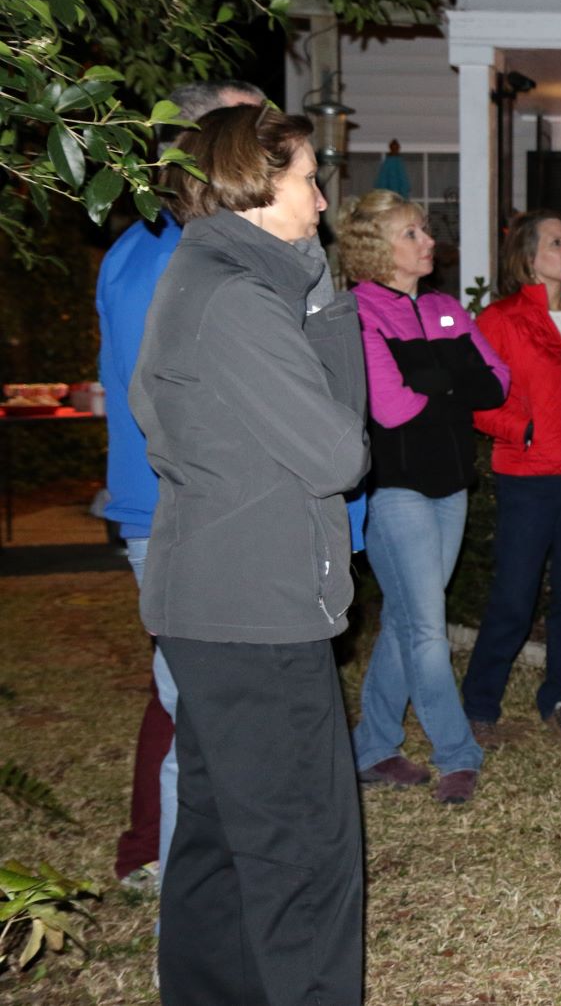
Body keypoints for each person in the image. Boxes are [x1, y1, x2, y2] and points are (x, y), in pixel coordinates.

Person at [132, 104, 369, 1003]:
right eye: (309, 178)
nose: (320, 199)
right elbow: (340, 451)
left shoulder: (212, 278)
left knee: (223, 842)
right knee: (304, 857)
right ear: (257, 185)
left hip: (219, 603)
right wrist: (326, 298)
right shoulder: (236, 297)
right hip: (255, 612)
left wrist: (312, 290)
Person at [100, 80, 265, 893]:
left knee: (183, 692)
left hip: (187, 506)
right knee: (201, 700)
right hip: (179, 509)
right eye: (250, 127)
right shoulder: (170, 260)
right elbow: (176, 407)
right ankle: (172, 864)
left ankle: (153, 847)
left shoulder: (171, 246)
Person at [340, 190, 509, 804]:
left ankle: (372, 750)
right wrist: (450, 380)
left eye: (423, 231)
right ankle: (457, 752)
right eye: (412, 233)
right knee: (428, 631)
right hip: (395, 490)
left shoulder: (443, 306)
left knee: (411, 624)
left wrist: (432, 380)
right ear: (377, 248)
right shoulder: (359, 312)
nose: (428, 241)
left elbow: (495, 383)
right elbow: (389, 407)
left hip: (451, 481)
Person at [463, 210, 561, 747]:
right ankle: (480, 703)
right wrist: (523, 430)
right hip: (529, 479)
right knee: (514, 596)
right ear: (529, 257)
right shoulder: (500, 321)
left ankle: (558, 695)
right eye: (556, 242)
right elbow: (474, 400)